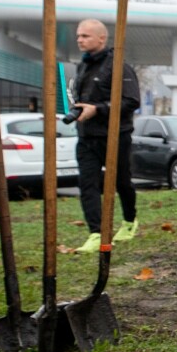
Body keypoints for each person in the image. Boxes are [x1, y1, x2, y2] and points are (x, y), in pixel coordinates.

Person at [70, 19, 140, 253]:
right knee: (87, 184)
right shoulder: (82, 66)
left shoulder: (119, 66)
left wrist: (98, 109)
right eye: (79, 36)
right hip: (86, 137)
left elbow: (132, 101)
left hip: (115, 136)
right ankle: (96, 233)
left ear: (102, 38)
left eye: (85, 36)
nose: (80, 39)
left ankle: (130, 221)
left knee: (122, 182)